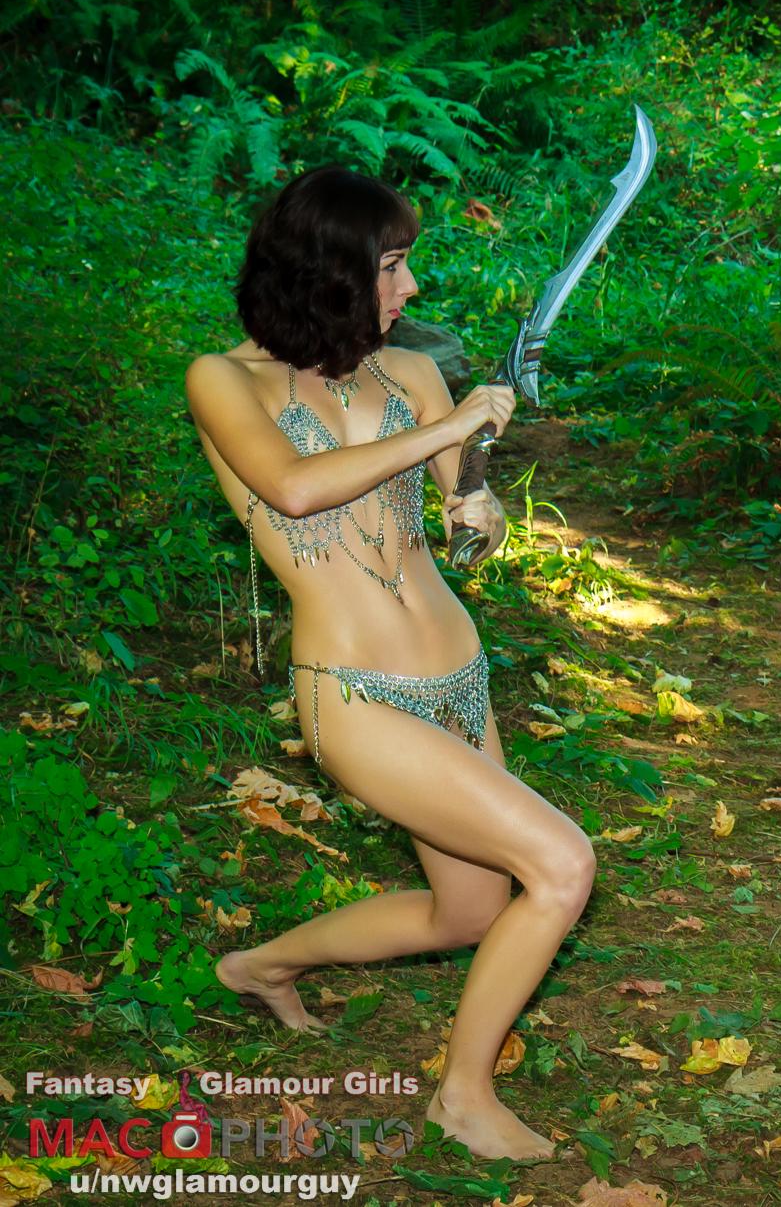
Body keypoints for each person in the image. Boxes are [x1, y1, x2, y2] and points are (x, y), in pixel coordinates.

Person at [186, 168, 596, 1162]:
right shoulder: (224, 381)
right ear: (326, 271)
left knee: (469, 910)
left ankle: (259, 965)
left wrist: (477, 507)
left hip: (458, 676)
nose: (409, 288)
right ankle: (463, 1096)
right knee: (561, 863)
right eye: (391, 266)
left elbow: (462, 508)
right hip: (356, 691)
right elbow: (291, 488)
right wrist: (447, 429)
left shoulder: (408, 373)